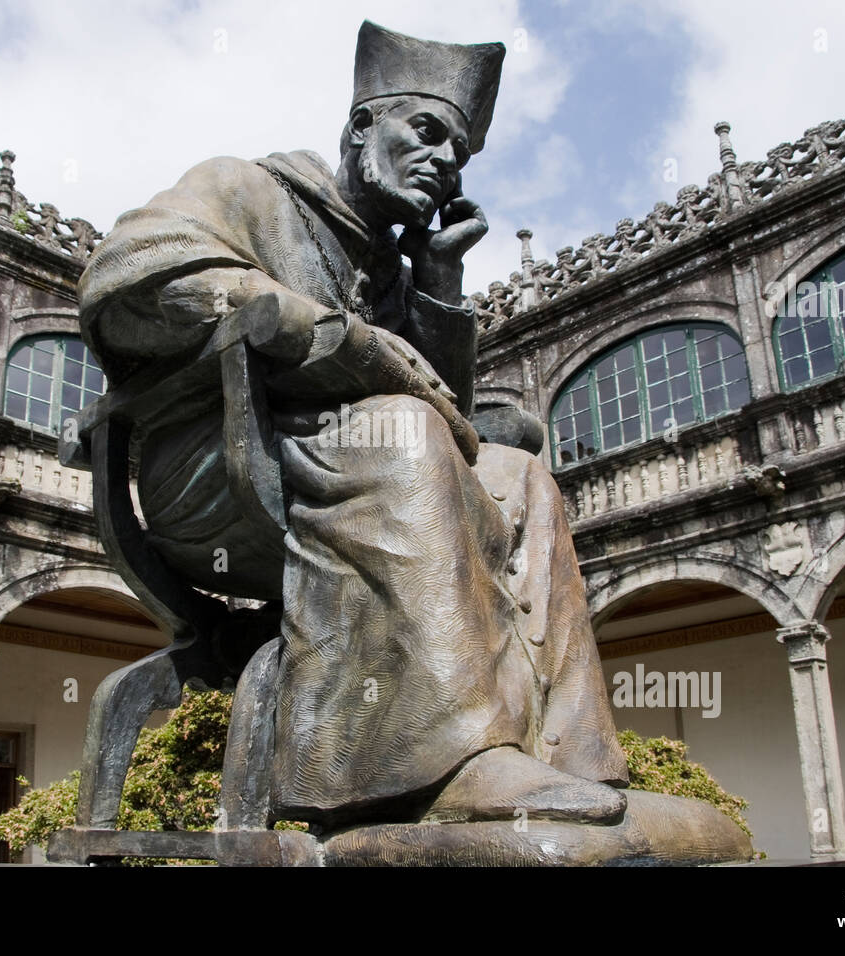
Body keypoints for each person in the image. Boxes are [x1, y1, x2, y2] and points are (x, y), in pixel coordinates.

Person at [78, 20, 629, 829]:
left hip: (346, 472)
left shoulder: (387, 263)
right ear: (362, 128)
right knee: (403, 433)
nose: (444, 161)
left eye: (460, 155)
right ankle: (452, 765)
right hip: (216, 470)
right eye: (428, 132)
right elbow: (124, 278)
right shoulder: (247, 186)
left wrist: (436, 283)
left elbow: (454, 416)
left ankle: (573, 762)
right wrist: (323, 332)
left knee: (522, 477)